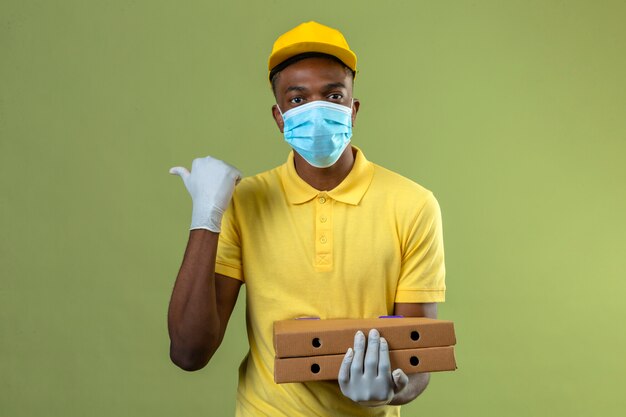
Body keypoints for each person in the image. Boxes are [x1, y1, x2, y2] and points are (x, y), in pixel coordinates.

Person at [167, 21, 446, 417]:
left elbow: (419, 357)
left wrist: (389, 389)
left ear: (353, 109)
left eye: (333, 96)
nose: (317, 110)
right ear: (279, 117)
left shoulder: (413, 205)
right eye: (298, 100)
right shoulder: (245, 202)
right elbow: (188, 352)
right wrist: (205, 217)